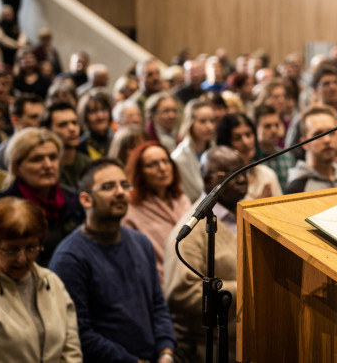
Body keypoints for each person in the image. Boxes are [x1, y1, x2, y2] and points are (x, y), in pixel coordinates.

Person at [48, 158, 176, 363]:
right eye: (108, 187)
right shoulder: (70, 258)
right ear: (86, 199)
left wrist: (166, 352)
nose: (120, 192)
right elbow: (80, 332)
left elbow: (158, 305)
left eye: (124, 185)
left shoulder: (141, 242)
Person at [163, 146, 247, 363]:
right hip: (207, 347)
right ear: (209, 179)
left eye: (243, 171)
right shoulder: (191, 230)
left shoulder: (246, 215)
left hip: (244, 341)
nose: (242, 179)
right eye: (232, 174)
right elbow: (180, 293)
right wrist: (243, 289)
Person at [0, 197, 82, 362]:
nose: (22, 259)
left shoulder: (51, 283)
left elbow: (71, 351)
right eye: (12, 249)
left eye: (31, 248)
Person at [0, 127, 84, 266]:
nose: (48, 165)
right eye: (37, 159)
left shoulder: (73, 200)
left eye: (53, 157)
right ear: (17, 167)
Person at [121, 142, 191, 281]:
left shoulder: (182, 198)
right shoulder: (131, 209)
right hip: (158, 282)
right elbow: (134, 260)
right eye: (153, 164)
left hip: (194, 274)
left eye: (166, 161)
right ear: (140, 172)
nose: (162, 168)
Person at [284, 105, 337, 194]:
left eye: (331, 132)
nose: (327, 140)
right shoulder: (296, 190)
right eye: (318, 134)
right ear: (304, 143)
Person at [216, 113, 280, 200]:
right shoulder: (222, 182)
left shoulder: (267, 174)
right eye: (237, 138)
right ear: (226, 145)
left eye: (248, 135)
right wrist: (256, 205)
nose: (245, 142)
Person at [39, 101, 91, 190]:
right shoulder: (45, 167)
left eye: (74, 123)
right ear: (47, 131)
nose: (72, 128)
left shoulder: (88, 164)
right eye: (62, 125)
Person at [171, 99, 216, 202]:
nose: (209, 126)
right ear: (190, 122)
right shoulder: (178, 158)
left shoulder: (215, 150)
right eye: (202, 121)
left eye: (212, 121)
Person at [76, 88, 114, 159]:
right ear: (85, 117)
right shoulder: (80, 147)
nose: (100, 116)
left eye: (104, 110)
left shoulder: (115, 141)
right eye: (93, 112)